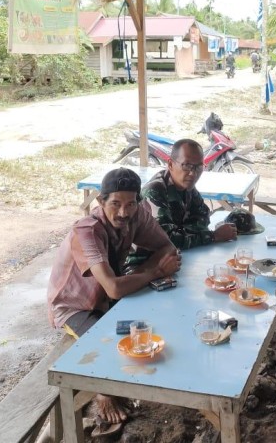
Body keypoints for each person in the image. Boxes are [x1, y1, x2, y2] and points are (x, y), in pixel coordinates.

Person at [46, 167, 182, 434]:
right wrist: (154, 272)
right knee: (109, 344)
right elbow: (113, 289)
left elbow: (166, 247)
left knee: (147, 329)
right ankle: (102, 394)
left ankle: (118, 385)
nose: (124, 212)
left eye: (131, 203)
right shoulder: (87, 231)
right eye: (116, 204)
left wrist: (145, 272)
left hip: (106, 300)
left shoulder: (137, 216)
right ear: (100, 201)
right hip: (75, 307)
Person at [125, 140, 236, 271]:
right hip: (142, 266)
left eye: (198, 167)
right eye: (187, 165)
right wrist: (213, 236)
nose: (193, 173)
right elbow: (168, 241)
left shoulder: (187, 186)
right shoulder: (155, 191)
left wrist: (180, 233)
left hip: (172, 259)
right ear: (171, 164)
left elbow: (204, 217)